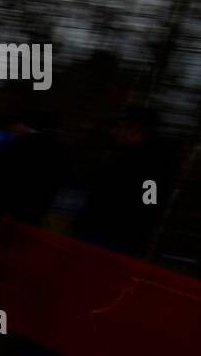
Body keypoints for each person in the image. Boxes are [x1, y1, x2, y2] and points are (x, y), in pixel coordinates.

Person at [72, 107, 174, 255]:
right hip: (101, 234)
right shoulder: (122, 156)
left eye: (119, 127)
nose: (114, 132)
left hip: (110, 240)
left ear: (135, 130)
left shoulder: (152, 165)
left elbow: (149, 203)